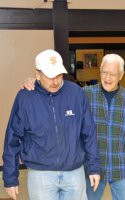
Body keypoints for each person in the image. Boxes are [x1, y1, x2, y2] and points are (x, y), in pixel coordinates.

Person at [22, 53, 125, 200]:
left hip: (122, 169)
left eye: (113, 74)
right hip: (92, 169)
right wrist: (34, 82)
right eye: (104, 72)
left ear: (121, 75)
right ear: (99, 72)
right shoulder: (84, 94)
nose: (107, 78)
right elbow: (56, 90)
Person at [2, 49, 100, 200]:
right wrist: (10, 178)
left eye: (59, 75)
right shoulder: (25, 98)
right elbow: (12, 139)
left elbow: (89, 132)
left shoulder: (75, 93)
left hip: (74, 173)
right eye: (50, 76)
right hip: (41, 176)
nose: (55, 81)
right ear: (37, 75)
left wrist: (94, 168)